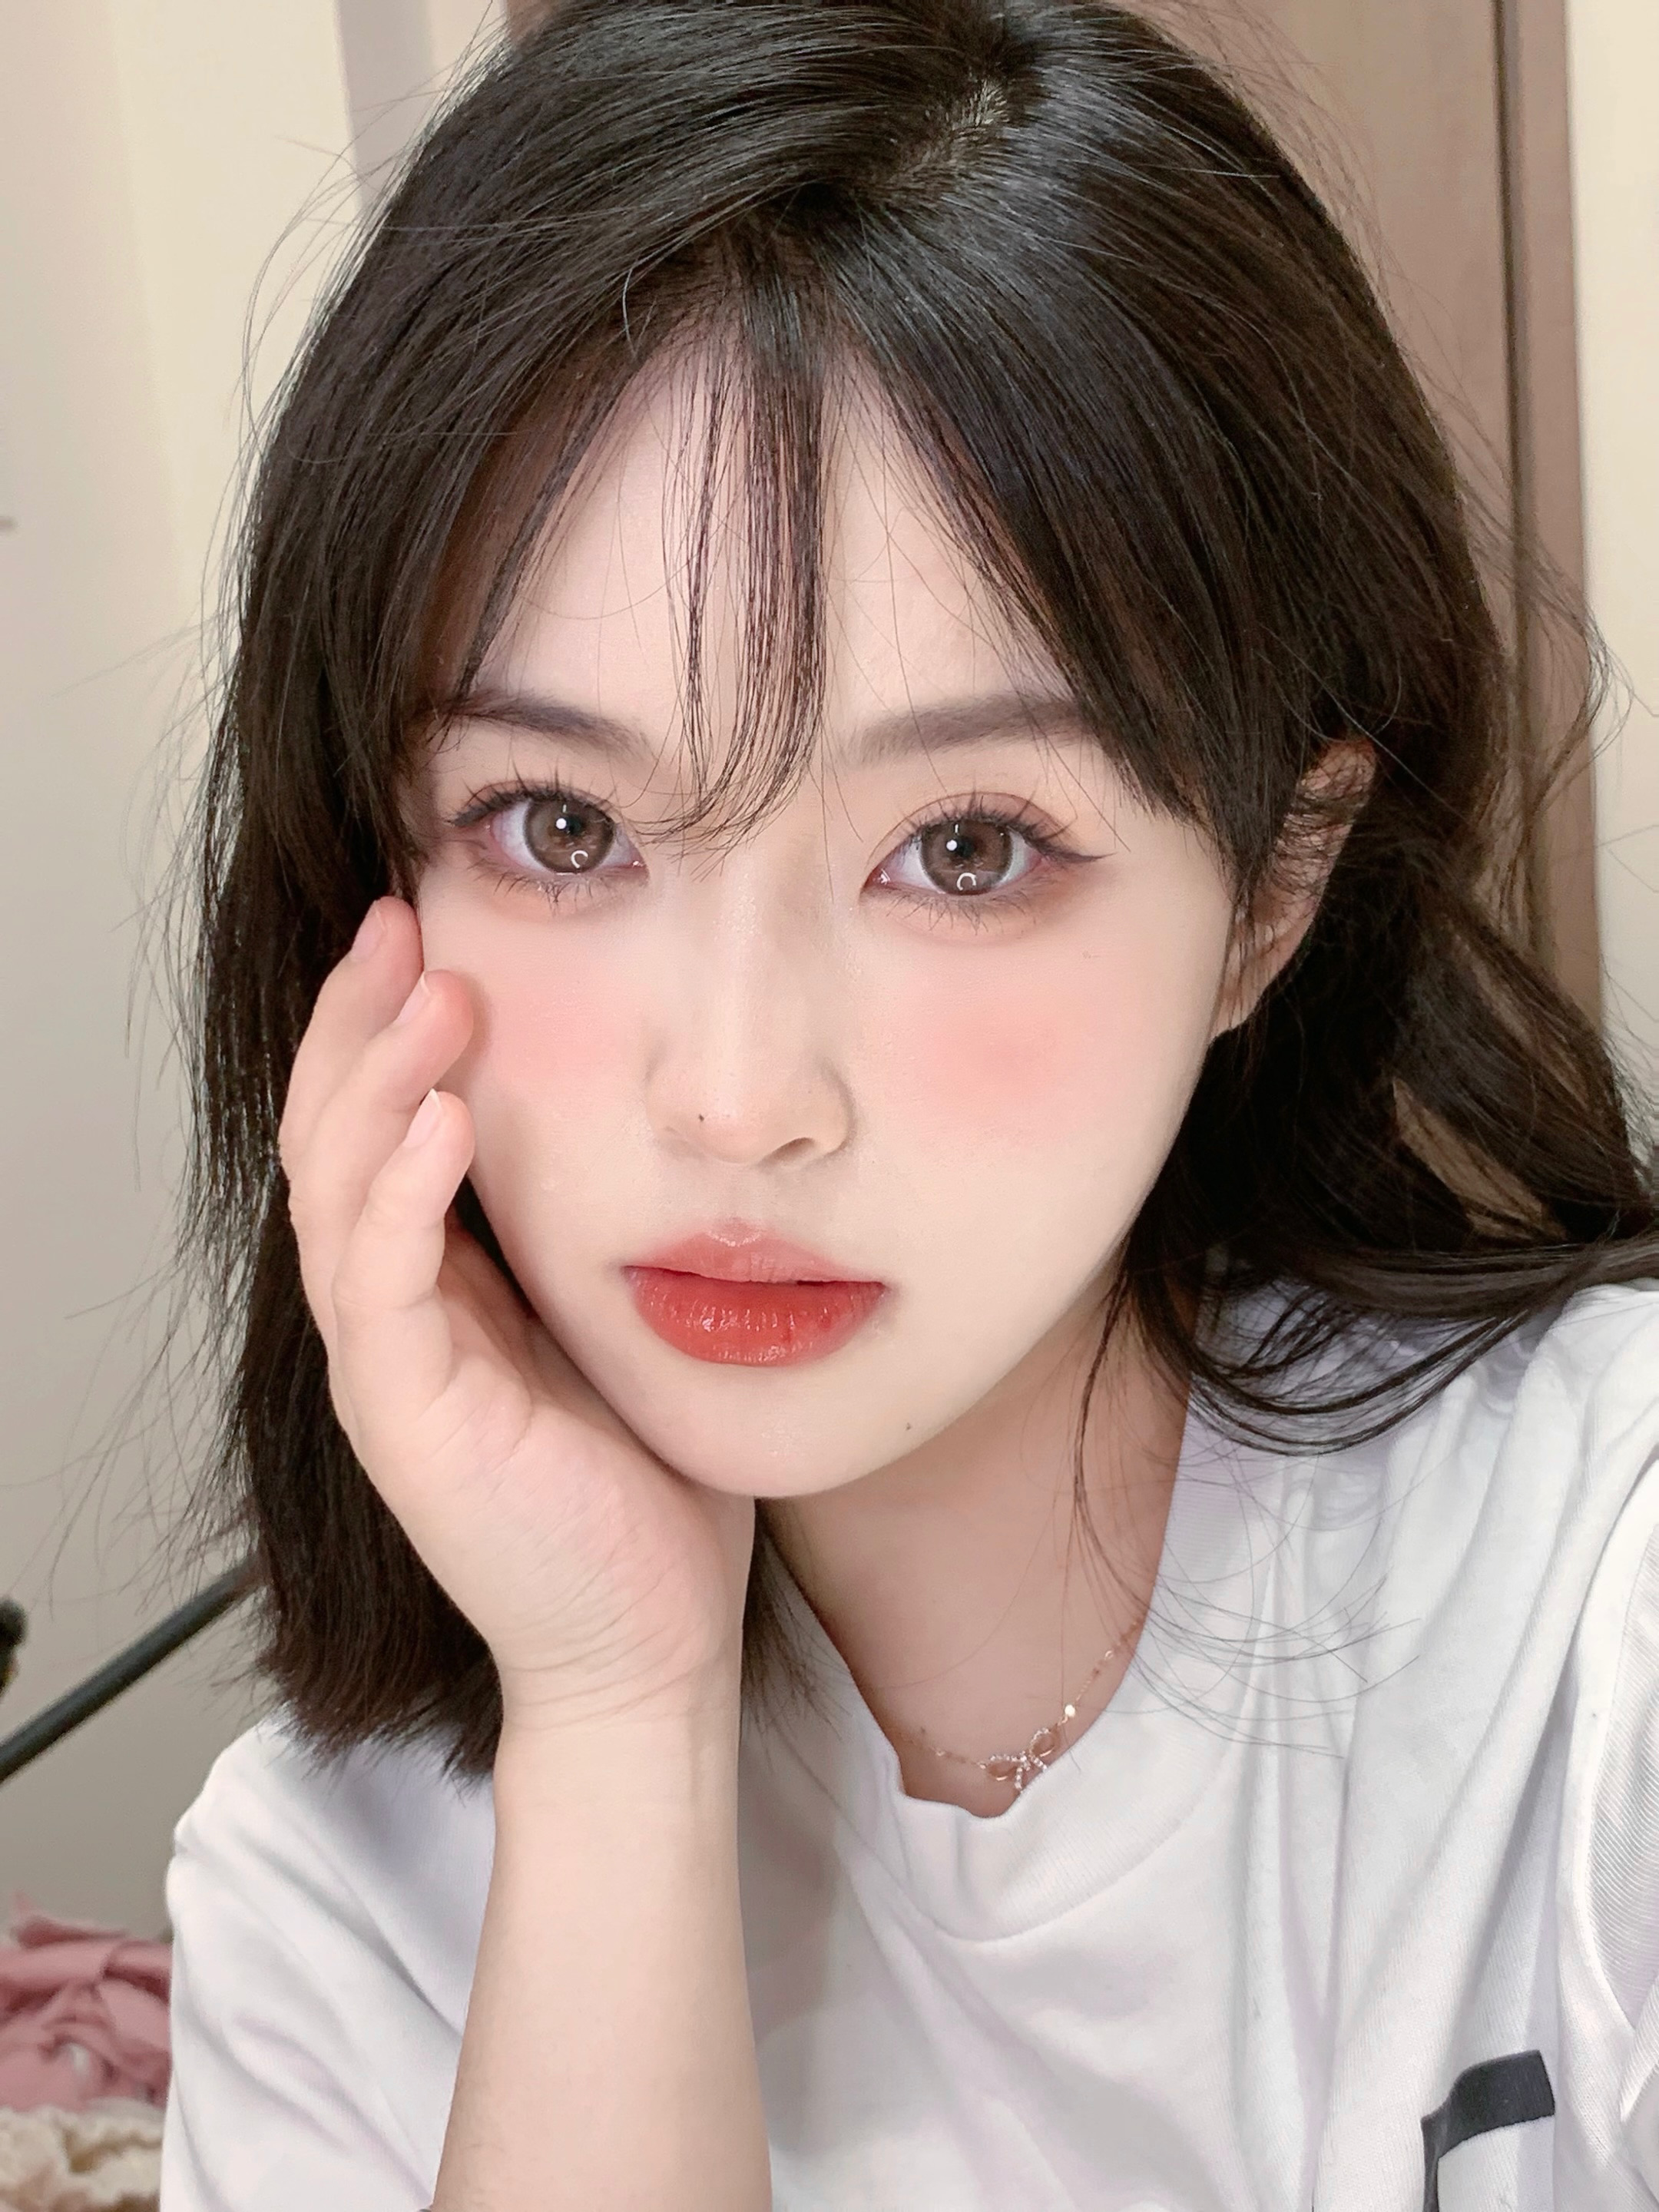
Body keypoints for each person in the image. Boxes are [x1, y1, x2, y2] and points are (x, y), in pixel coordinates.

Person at [156, 2, 1659, 2207]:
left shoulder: (1600, 1614)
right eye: (563, 827)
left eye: (965, 848)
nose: (738, 1096)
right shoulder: (332, 1910)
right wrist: (617, 1720)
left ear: (1272, 895)